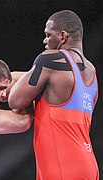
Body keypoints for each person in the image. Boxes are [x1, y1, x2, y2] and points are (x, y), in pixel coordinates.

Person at [8, 10, 99, 179]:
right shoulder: (92, 73)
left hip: (63, 167)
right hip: (89, 165)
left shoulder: (50, 60)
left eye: (48, 35)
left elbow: (15, 100)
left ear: (63, 36)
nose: (45, 41)